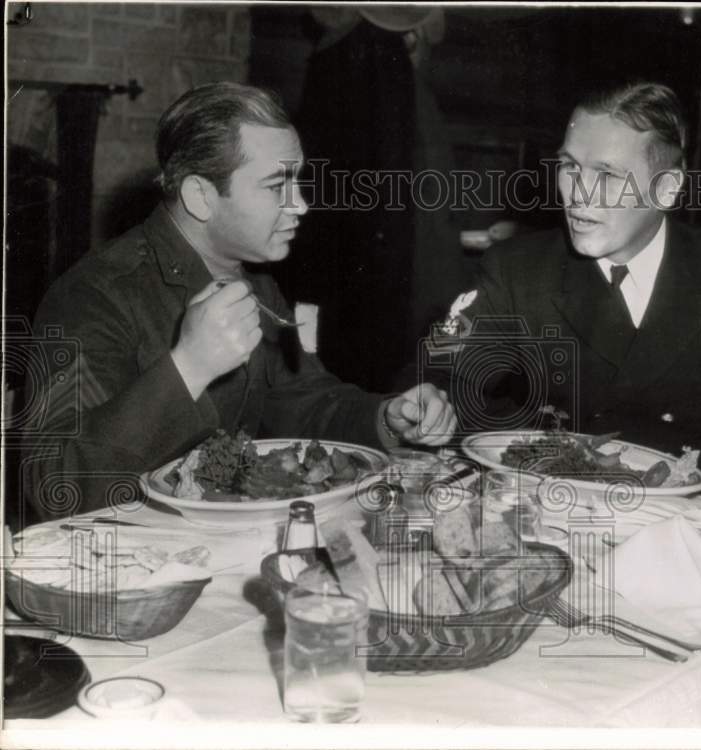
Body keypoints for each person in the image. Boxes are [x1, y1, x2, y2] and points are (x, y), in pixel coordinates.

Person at [425, 82, 701, 523]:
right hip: (563, 520)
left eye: (608, 174)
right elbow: (443, 369)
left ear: (666, 189)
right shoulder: (518, 269)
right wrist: (423, 403)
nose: (578, 193)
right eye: (569, 166)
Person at [23, 82, 455, 522]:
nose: (301, 204)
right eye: (276, 185)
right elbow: (57, 487)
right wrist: (188, 367)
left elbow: (306, 400)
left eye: (298, 180)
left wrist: (387, 416)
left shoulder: (260, 288)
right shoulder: (92, 294)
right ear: (200, 197)